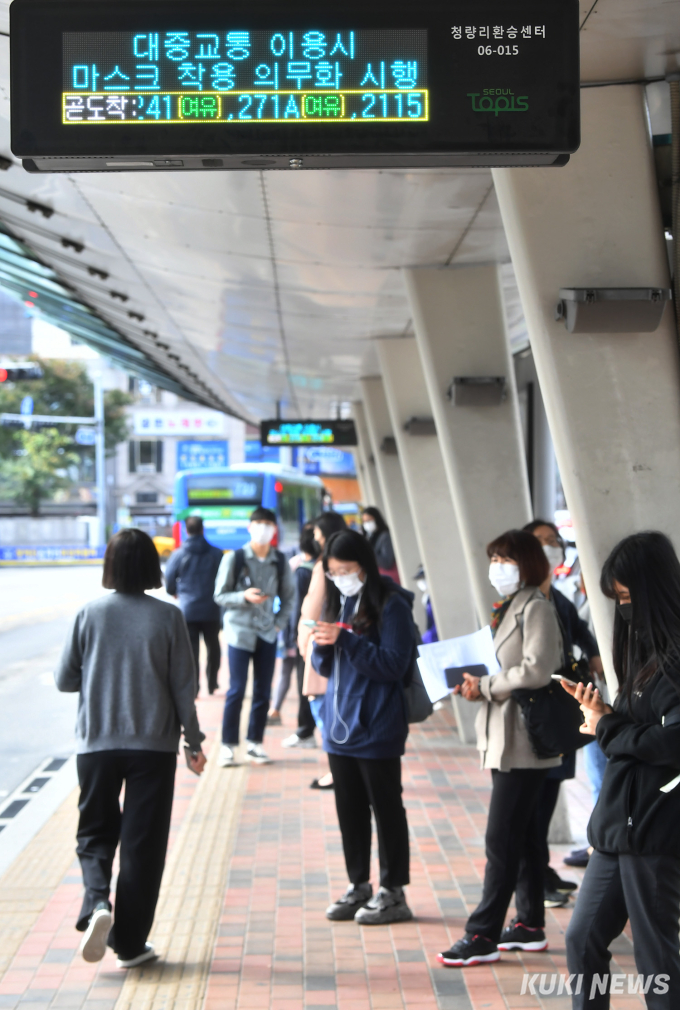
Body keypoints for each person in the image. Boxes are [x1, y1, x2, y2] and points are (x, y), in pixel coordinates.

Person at [54, 528, 206, 969]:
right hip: (153, 748)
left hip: (97, 744)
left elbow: (66, 680)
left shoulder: (89, 613)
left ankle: (97, 902)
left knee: (95, 832)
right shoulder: (168, 617)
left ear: (110, 565)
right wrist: (193, 742)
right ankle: (130, 945)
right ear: (153, 567)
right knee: (143, 845)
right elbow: (183, 687)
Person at [563, 531, 680, 1010]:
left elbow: (671, 740)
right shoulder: (644, 653)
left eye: (629, 597)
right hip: (618, 826)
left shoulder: (674, 660)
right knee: (582, 939)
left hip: (654, 827)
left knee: (656, 962)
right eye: (618, 599)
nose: (623, 609)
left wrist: (608, 725)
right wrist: (603, 714)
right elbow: (637, 729)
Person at [438, 530, 562, 967]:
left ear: (526, 563)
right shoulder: (511, 606)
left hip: (524, 739)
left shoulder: (537, 608)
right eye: (493, 558)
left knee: (501, 837)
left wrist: (487, 685)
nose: (497, 567)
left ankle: (483, 932)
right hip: (505, 733)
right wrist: (476, 685)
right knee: (524, 833)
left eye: (505, 559)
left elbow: (537, 669)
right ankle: (528, 924)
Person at [311, 528, 417, 924]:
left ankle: (394, 890)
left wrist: (347, 640)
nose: (341, 577)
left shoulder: (391, 606)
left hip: (378, 727)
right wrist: (322, 646)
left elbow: (393, 665)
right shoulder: (338, 602)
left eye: (347, 569)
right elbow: (327, 666)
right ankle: (359, 885)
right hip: (339, 727)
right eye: (334, 571)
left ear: (366, 567)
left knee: (387, 809)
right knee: (349, 810)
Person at [523, 519, 603, 904]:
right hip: (536, 720)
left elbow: (582, 633)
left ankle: (542, 872)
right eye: (540, 542)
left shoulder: (558, 598)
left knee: (548, 795)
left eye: (554, 541)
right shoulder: (520, 603)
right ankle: (536, 877)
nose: (551, 548)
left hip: (558, 714)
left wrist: (594, 656)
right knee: (531, 806)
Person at [214, 507, 295, 767]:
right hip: (239, 632)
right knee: (236, 689)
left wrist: (279, 624)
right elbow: (219, 595)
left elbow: (290, 597)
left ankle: (255, 743)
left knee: (263, 690)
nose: (263, 528)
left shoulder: (280, 561)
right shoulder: (235, 558)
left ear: (274, 530)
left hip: (267, 634)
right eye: (258, 523)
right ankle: (228, 746)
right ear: (249, 527)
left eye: (267, 524)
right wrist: (243, 597)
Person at [282, 511, 347, 785]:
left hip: (322, 643)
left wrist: (303, 637)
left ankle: (338, 769)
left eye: (319, 536)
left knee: (324, 710)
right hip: (340, 643)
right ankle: (340, 768)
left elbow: (311, 608)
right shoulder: (352, 563)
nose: (316, 541)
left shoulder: (324, 565)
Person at [267, 522, 318, 734]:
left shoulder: (300, 570)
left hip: (298, 635)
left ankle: (299, 724)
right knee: (292, 674)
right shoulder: (310, 569)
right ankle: (277, 711)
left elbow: (295, 608)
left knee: (296, 677)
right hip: (301, 633)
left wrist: (292, 635)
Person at [165, 515, 224, 695]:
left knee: (191, 651)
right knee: (213, 646)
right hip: (212, 609)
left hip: (188, 611)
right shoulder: (216, 553)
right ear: (202, 530)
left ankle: (194, 687)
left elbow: (168, 581)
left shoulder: (178, 554)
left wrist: (175, 591)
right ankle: (212, 682)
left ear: (186, 531)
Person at [361, 507, 399, 583]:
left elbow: (387, 563)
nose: (367, 524)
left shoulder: (385, 536)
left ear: (376, 519)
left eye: (369, 520)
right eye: (364, 521)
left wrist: (368, 550)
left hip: (388, 577)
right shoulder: (369, 537)